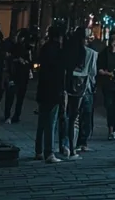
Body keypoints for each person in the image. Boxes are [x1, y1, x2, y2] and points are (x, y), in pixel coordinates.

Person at [35, 25, 66, 164]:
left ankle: (38, 151)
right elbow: (59, 72)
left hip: (43, 88)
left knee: (42, 121)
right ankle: (49, 152)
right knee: (51, 122)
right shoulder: (58, 51)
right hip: (54, 90)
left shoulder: (44, 48)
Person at [59, 29, 90, 159]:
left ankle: (63, 145)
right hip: (77, 86)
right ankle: (72, 149)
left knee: (63, 116)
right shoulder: (82, 51)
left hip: (64, 84)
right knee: (73, 117)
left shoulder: (65, 48)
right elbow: (81, 68)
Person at [74, 27, 98, 152]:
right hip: (86, 86)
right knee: (86, 115)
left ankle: (71, 141)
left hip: (72, 87)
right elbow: (93, 72)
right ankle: (83, 142)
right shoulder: (92, 53)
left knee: (73, 115)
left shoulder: (70, 51)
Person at [3, 28, 32, 124]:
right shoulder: (15, 47)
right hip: (16, 74)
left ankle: (13, 115)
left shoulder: (26, 48)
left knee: (16, 97)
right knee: (13, 97)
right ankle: (10, 115)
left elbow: (30, 62)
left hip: (19, 75)